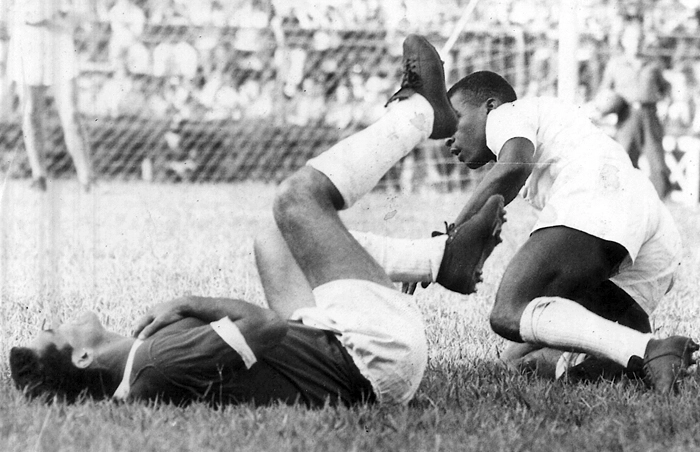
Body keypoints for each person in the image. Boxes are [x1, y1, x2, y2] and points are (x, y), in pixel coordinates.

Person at [10, 35, 506, 407]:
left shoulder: (144, 365)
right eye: (53, 332)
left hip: (354, 361)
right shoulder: (157, 361)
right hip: (372, 352)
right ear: (81, 358)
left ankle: (441, 260)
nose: (55, 322)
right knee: (296, 200)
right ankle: (421, 113)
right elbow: (265, 326)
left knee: (274, 238)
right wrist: (189, 302)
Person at [441, 69, 696, 393]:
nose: (449, 138)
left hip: (601, 195)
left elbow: (514, 165)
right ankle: (649, 352)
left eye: (456, 119)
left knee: (508, 311)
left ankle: (650, 351)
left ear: (489, 106)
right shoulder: (552, 130)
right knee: (518, 360)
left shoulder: (507, 114)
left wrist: (450, 238)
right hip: (653, 234)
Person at [7, 0, 93, 191]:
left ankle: (86, 179)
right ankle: (39, 176)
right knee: (30, 112)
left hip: (58, 39)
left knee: (70, 114)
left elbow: (82, 9)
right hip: (26, 41)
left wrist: (64, 16)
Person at [595, 17, 671, 198]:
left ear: (643, 41)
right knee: (624, 160)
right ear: (624, 41)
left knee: (657, 164)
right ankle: (621, 202)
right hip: (626, 115)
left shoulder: (654, 64)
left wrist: (666, 105)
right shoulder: (615, 64)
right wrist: (605, 108)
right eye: (632, 39)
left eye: (639, 39)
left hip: (649, 114)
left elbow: (665, 88)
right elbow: (604, 91)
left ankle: (659, 205)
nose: (636, 43)